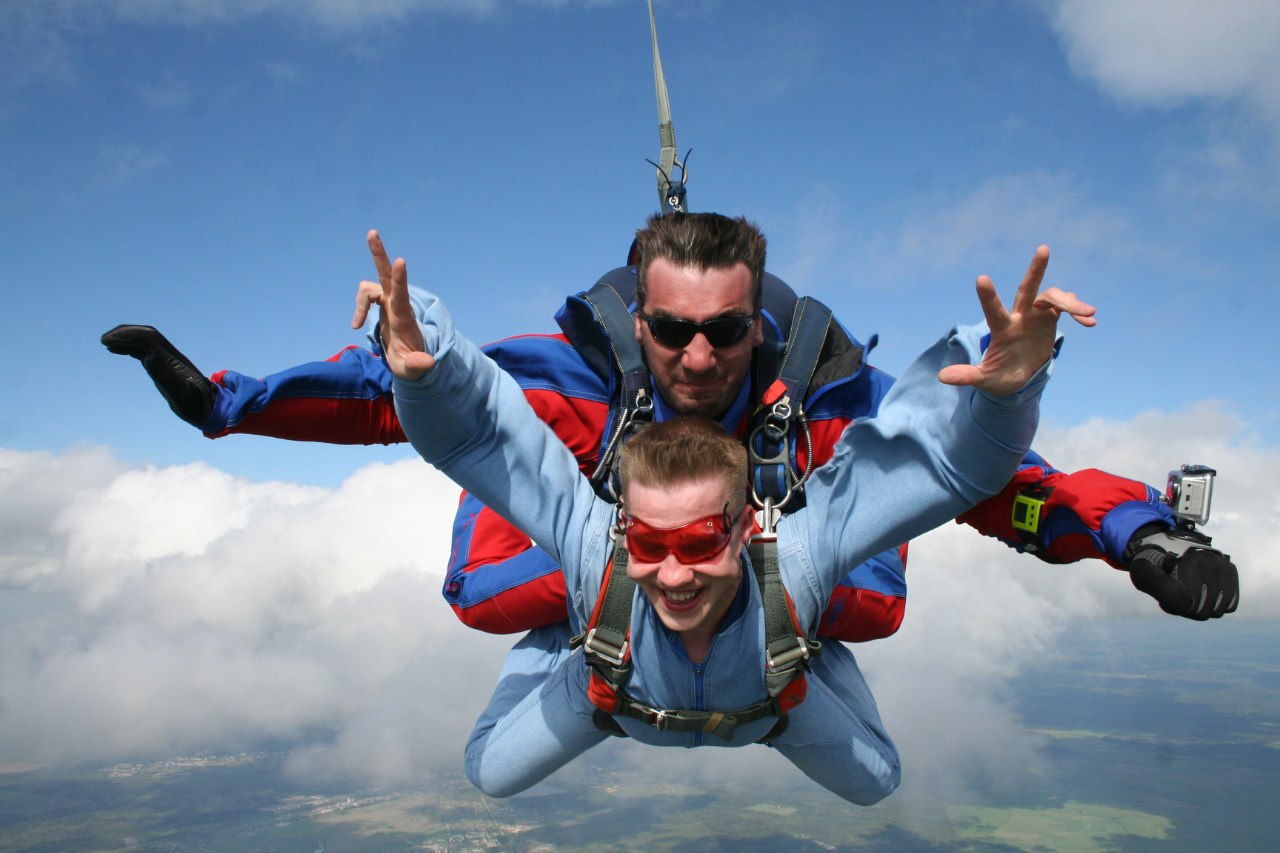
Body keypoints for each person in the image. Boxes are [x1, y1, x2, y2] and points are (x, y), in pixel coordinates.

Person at [101, 216, 1239, 630]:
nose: (697, 357)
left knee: (878, 596)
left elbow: (990, 481)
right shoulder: (578, 380)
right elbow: (409, 391)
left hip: (769, 575)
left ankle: (721, 584)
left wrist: (1139, 536)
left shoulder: (818, 405)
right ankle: (652, 577)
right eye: (672, 330)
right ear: (637, 322)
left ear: (757, 328)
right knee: (480, 590)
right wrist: (225, 403)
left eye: (724, 333)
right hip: (617, 563)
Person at [371, 225, 1087, 802]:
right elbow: (481, 439)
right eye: (648, 542)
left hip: (774, 698)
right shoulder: (595, 551)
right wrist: (425, 371)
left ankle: (802, 647)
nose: (673, 574)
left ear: (748, 529)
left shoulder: (798, 558)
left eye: (698, 541)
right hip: (608, 690)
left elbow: (947, 470)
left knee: (877, 783)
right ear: (621, 529)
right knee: (490, 772)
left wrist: (1009, 393)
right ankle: (574, 639)